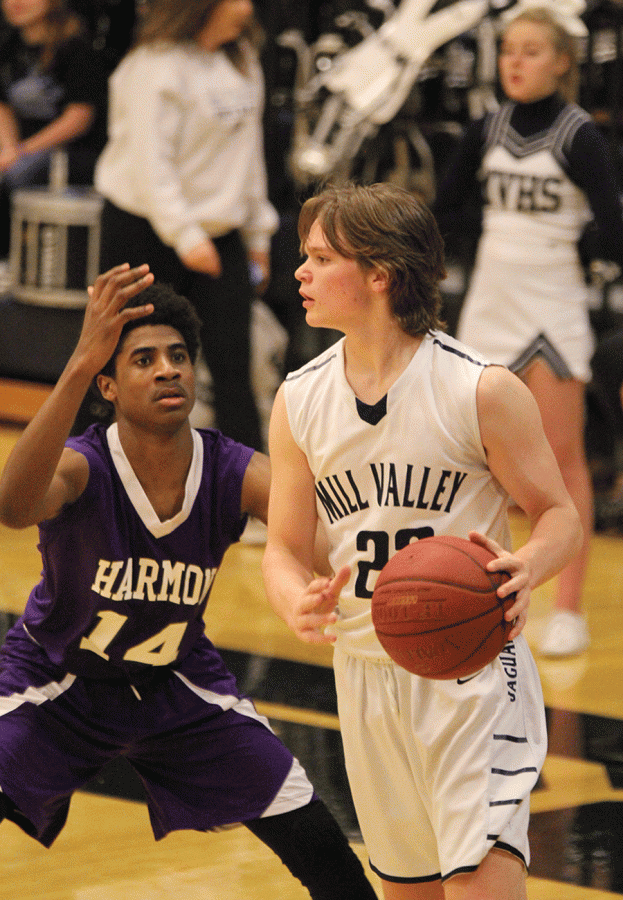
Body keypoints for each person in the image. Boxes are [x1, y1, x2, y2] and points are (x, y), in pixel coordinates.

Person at [0, 263, 379, 900]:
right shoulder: (83, 467)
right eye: (142, 359)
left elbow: (335, 545)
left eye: (177, 355)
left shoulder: (232, 469)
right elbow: (12, 505)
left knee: (318, 840)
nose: (167, 369)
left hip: (174, 683)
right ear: (108, 386)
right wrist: (76, 362)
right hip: (57, 680)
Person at [261, 182, 582, 900]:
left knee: (474, 883)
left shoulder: (479, 390)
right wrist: (294, 599)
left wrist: (522, 567)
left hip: (473, 673)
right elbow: (283, 547)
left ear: (378, 274)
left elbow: (557, 514)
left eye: (318, 258)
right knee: (409, 892)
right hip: (365, 674)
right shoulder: (299, 400)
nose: (300, 274)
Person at [432, 4, 623, 657]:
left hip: (551, 303)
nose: (515, 62)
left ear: (562, 62)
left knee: (561, 460)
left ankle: (566, 609)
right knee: (469, 457)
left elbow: (610, 224)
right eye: (508, 50)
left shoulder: (579, 136)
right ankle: (473, 594)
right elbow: (445, 207)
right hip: (490, 298)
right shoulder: (484, 128)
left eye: (531, 51)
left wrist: (586, 248)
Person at [95, 0, 275, 452]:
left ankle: (246, 489)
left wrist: (257, 236)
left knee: (235, 366)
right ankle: (100, 475)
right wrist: (186, 236)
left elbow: (249, 159)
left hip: (219, 234)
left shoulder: (241, 60)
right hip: (146, 232)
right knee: (127, 362)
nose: (246, 7)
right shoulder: (152, 66)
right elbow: (149, 165)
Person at [0, 0, 108, 256]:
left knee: (20, 174)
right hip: (20, 148)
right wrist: (8, 148)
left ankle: (16, 259)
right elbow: (3, 106)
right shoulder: (8, 45)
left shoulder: (77, 45)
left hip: (70, 153)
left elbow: (79, 118)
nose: (16, 2)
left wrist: (21, 152)